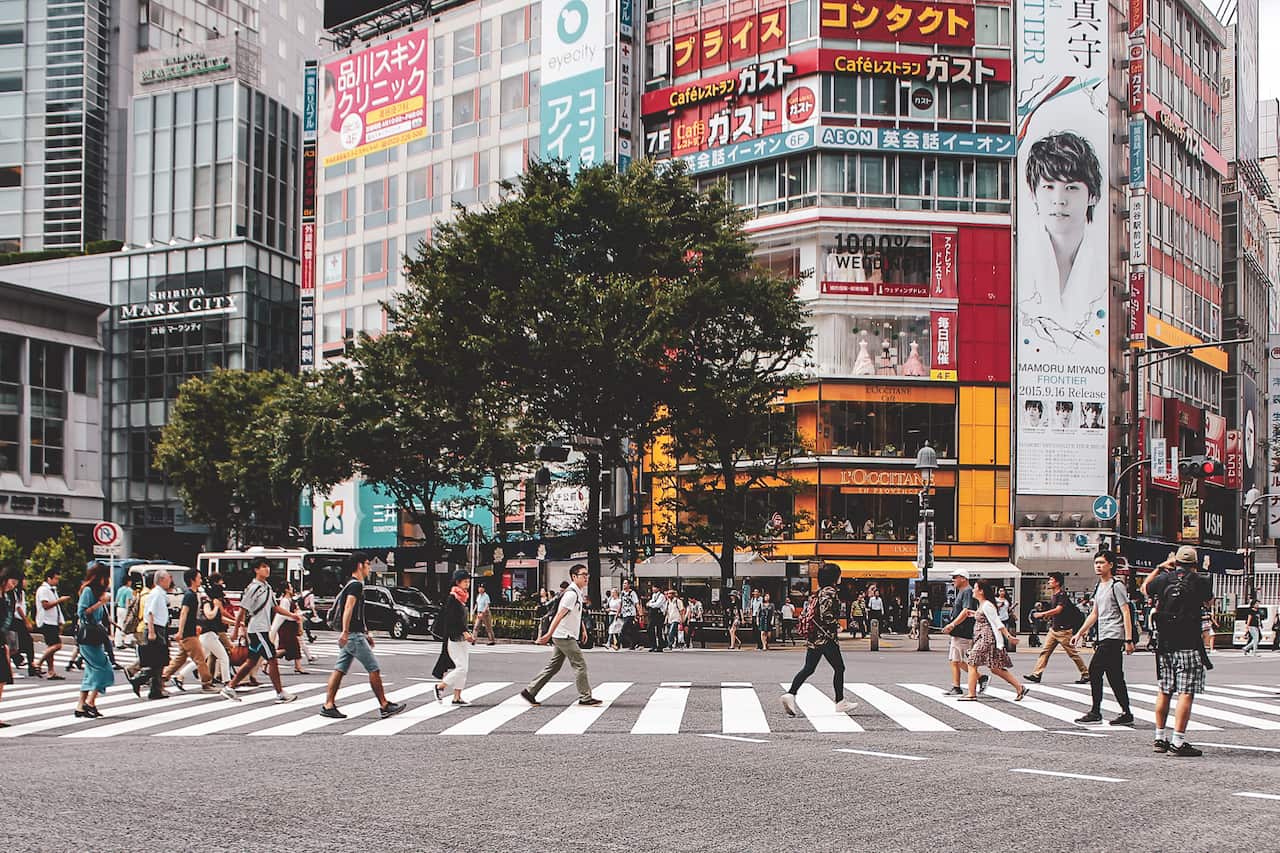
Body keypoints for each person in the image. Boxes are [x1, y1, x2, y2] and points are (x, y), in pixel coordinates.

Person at [1018, 130, 1107, 352]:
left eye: (1071, 188)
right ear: (1033, 193)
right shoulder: (1017, 257)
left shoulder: (1106, 265)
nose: (1059, 200)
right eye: (1048, 187)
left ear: (1093, 196)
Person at [1146, 546, 1215, 757]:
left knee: (1164, 690)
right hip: (1189, 643)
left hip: (1165, 644)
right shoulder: (1200, 581)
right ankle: (1177, 741)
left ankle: (1159, 738)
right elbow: (1209, 601)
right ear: (1194, 564)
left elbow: (1145, 588)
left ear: (1175, 562)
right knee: (1185, 692)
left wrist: (1160, 567)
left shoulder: (1163, 579)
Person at [318, 553, 404, 719]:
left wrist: (365, 633)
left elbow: (357, 613)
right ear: (360, 565)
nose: (369, 567)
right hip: (353, 636)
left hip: (354, 634)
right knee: (373, 668)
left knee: (339, 670)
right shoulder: (356, 585)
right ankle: (384, 705)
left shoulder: (352, 584)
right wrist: (345, 631)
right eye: (367, 564)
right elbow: (349, 608)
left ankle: (328, 705)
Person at [221, 557, 299, 704]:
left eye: (267, 566)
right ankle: (280, 693)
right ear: (256, 570)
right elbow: (242, 609)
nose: (267, 569)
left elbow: (275, 607)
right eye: (263, 566)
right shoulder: (253, 588)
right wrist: (236, 630)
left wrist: (292, 615)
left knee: (251, 662)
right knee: (272, 659)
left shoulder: (267, 587)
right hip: (257, 629)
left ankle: (230, 687)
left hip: (262, 629)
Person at [521, 564, 600, 707]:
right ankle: (585, 697)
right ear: (574, 577)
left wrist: (582, 629)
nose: (586, 577)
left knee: (554, 666)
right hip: (564, 635)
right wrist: (548, 634)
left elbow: (576, 613)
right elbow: (559, 615)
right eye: (583, 575)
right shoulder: (571, 594)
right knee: (580, 664)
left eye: (587, 574)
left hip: (564, 634)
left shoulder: (577, 592)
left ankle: (530, 691)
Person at [781, 563, 855, 716]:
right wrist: (837, 626)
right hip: (826, 638)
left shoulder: (817, 593)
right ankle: (840, 701)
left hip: (814, 637)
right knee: (839, 668)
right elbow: (826, 614)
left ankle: (790, 694)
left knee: (809, 668)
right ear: (834, 577)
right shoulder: (830, 592)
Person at [1071, 550, 1135, 725]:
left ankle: (1095, 711)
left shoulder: (1117, 585)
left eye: (1101, 563)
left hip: (1113, 636)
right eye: (1096, 563)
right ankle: (1126, 713)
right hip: (1104, 635)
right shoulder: (1099, 586)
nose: (1098, 566)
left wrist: (1128, 640)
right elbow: (1095, 613)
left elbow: (1126, 612)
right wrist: (1079, 633)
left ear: (1111, 565)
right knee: (1115, 676)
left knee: (1094, 670)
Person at [959, 581, 1027, 701]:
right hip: (983, 638)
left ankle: (971, 693)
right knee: (995, 668)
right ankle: (1019, 687)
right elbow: (986, 617)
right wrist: (974, 614)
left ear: (981, 591)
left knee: (972, 662)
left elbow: (997, 622)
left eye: (975, 588)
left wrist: (1009, 636)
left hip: (987, 638)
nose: (973, 590)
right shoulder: (983, 604)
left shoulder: (987, 605)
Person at [1025, 572, 1090, 684]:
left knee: (1072, 654)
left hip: (1064, 631)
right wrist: (1048, 617)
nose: (1049, 582)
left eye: (1051, 580)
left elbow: (1058, 610)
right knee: (1045, 652)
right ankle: (1037, 674)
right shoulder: (1054, 595)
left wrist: (1042, 614)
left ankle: (1086, 673)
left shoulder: (1062, 595)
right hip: (1054, 630)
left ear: (1057, 582)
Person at [160, 568, 217, 693]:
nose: (201, 580)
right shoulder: (189, 595)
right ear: (192, 580)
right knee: (200, 659)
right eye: (199, 578)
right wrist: (180, 632)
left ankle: (162, 678)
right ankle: (206, 683)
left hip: (190, 631)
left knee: (180, 659)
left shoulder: (193, 594)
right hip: (188, 634)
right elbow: (184, 613)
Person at [73, 563, 115, 718]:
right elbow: (82, 613)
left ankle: (81, 705)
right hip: (88, 636)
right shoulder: (88, 591)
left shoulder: (97, 592)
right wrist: (101, 603)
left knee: (91, 671)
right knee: (103, 668)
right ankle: (89, 703)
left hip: (94, 636)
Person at [128, 569, 173, 700]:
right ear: (161, 580)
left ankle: (155, 690)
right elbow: (150, 613)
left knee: (159, 661)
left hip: (160, 628)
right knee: (157, 660)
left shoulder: (160, 594)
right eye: (168, 578)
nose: (170, 581)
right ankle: (140, 680)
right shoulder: (156, 594)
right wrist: (152, 631)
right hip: (155, 628)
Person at [432, 570, 475, 705]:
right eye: (465, 581)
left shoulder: (463, 597)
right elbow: (452, 620)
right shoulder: (453, 598)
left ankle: (457, 697)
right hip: (453, 638)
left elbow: (461, 620)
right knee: (461, 667)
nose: (467, 584)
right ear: (458, 582)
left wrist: (467, 633)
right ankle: (440, 686)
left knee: (464, 668)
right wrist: (464, 631)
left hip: (462, 638)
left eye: (468, 581)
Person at [940, 570, 986, 695]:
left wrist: (952, 624)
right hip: (960, 630)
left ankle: (975, 680)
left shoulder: (967, 591)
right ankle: (961, 684)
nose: (953, 580)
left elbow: (966, 611)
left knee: (957, 660)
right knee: (955, 660)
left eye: (955, 577)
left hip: (963, 630)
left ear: (963, 578)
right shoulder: (963, 591)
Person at [179, 581, 232, 685]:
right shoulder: (207, 603)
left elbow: (220, 619)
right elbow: (209, 615)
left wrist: (236, 623)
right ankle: (227, 681)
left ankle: (180, 676)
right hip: (208, 635)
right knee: (223, 657)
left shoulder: (212, 603)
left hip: (210, 635)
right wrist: (216, 607)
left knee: (201, 659)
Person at [34, 569, 70, 680]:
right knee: (57, 645)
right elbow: (46, 605)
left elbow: (56, 608)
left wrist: (60, 621)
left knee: (51, 646)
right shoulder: (43, 590)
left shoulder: (52, 590)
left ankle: (51, 671)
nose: (57, 581)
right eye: (55, 579)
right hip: (46, 621)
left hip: (52, 621)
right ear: (48, 578)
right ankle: (38, 662)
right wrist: (60, 600)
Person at [276, 583, 307, 675]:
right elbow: (284, 614)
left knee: (293, 647)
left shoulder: (290, 600)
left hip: (290, 626)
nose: (292, 589)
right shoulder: (285, 601)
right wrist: (295, 617)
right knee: (288, 648)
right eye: (291, 587)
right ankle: (266, 660)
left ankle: (298, 666)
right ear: (287, 590)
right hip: (286, 626)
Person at [0, 573, 17, 726]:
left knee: (2, 679)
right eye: (12, 581)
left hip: (1, 640)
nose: (13, 585)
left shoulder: (6, 597)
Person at [618, 580, 640, 650]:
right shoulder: (622, 593)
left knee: (623, 630)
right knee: (630, 630)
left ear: (629, 585)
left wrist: (639, 613)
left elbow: (636, 603)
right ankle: (634, 643)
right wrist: (618, 613)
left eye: (625, 583)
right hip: (624, 613)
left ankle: (629, 643)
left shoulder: (632, 593)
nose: (624, 585)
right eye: (623, 583)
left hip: (631, 614)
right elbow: (620, 604)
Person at [113, 580, 135, 649]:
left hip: (119, 608)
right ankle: (127, 641)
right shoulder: (129, 590)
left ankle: (118, 642)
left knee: (119, 625)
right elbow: (128, 601)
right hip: (125, 609)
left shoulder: (120, 589)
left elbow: (116, 600)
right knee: (129, 625)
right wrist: (129, 611)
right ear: (128, 582)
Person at [647, 583, 667, 652]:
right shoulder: (653, 595)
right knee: (650, 629)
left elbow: (657, 605)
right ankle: (653, 645)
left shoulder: (661, 596)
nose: (653, 589)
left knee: (659, 630)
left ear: (658, 589)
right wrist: (650, 603)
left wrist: (650, 604)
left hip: (659, 614)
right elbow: (651, 602)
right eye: (653, 587)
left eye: (655, 587)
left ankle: (660, 646)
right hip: (653, 614)